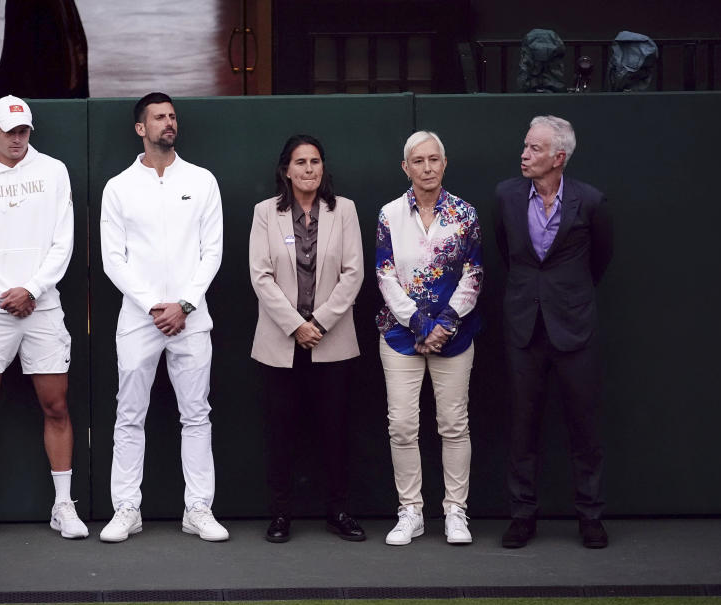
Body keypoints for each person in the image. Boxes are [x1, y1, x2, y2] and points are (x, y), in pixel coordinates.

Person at [0, 95, 87, 540]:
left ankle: (63, 507)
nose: (17, 138)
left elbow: (62, 242)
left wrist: (32, 290)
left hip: (42, 307)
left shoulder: (53, 171)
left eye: (24, 130)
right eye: (9, 131)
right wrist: (4, 293)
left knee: (56, 406)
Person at [99, 92, 228, 543]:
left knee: (196, 415)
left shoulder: (203, 181)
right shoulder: (118, 187)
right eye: (159, 117)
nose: (168, 122)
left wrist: (185, 305)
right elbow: (113, 259)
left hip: (192, 318)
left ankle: (198, 509)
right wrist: (155, 305)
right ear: (141, 128)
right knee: (129, 415)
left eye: (172, 116)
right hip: (139, 321)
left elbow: (211, 251)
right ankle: (126, 509)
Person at [493, 115, 613, 549]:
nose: (524, 154)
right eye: (525, 146)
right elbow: (508, 252)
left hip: (575, 328)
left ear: (558, 157)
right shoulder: (506, 196)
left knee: (584, 426)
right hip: (524, 327)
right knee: (523, 426)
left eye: (535, 149)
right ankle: (522, 516)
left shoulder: (591, 201)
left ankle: (591, 516)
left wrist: (567, 298)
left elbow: (600, 259)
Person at [249, 135, 366, 543]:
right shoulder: (265, 213)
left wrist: (318, 321)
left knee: (335, 431)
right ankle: (281, 514)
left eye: (315, 161)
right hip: (280, 344)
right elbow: (260, 276)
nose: (309, 169)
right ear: (286, 170)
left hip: (332, 341)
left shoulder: (344, 210)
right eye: (300, 162)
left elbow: (354, 274)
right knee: (281, 433)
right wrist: (295, 325)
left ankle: (338, 511)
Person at [375, 131, 483, 546]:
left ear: (444, 163)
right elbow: (384, 274)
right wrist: (420, 324)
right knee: (402, 425)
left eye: (433, 159)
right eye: (418, 161)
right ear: (406, 167)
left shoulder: (465, 214)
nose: (427, 168)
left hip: (454, 336)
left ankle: (456, 511)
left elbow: (474, 274)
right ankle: (411, 511)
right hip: (401, 335)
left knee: (454, 424)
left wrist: (444, 325)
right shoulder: (388, 214)